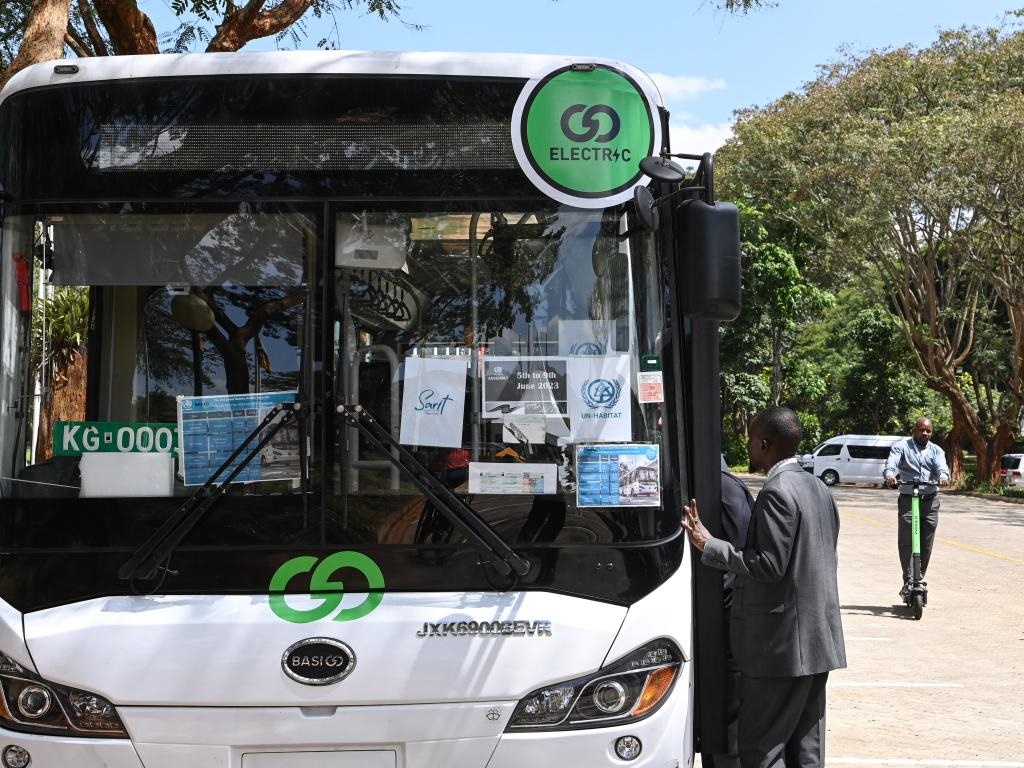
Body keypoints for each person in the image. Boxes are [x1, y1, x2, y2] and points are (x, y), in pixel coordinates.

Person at [681, 406, 846, 768]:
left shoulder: (777, 491)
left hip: (780, 649)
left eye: (751, 439)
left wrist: (710, 545)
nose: (748, 446)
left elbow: (770, 565)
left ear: (765, 444)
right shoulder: (818, 487)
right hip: (818, 642)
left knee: (762, 749)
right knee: (806, 752)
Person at [702, 456, 754, 768]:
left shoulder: (725, 488)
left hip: (727, 618)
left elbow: (741, 557)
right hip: (713, 616)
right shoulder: (712, 485)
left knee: (727, 709)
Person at [883, 418, 950, 600]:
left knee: (926, 542)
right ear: (914, 430)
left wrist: (943, 477)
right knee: (907, 541)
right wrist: (890, 475)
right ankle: (908, 580)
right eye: (922, 430)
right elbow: (892, 463)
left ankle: (918, 577)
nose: (925, 433)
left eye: (928, 431)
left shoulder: (936, 450)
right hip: (908, 499)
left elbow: (942, 467)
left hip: (930, 501)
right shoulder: (901, 447)